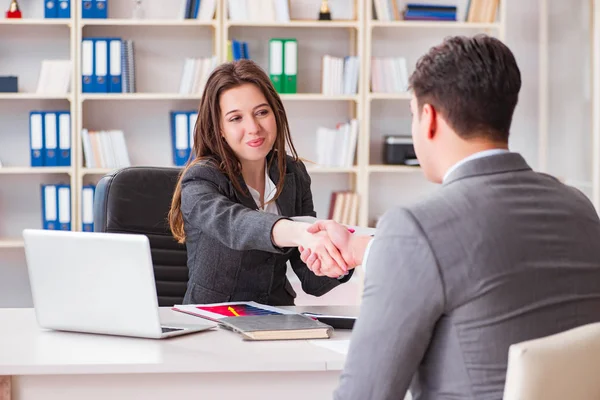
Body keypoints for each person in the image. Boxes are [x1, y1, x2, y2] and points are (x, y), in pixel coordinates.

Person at [302, 34, 600, 399]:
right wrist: (359, 247)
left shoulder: (417, 228)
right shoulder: (579, 207)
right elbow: (477, 262)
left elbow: (365, 394)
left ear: (428, 119)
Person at [167, 59, 353, 306]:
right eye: (235, 118)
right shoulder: (201, 179)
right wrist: (301, 233)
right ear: (219, 128)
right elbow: (236, 225)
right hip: (214, 321)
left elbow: (311, 277)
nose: (253, 128)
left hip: (277, 317)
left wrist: (340, 259)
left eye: (262, 112)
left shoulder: (293, 174)